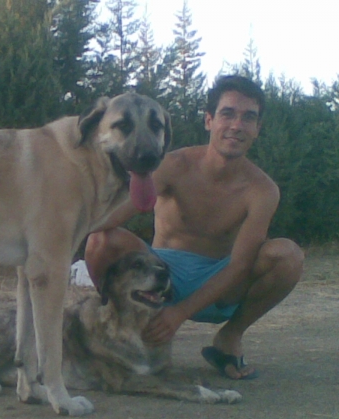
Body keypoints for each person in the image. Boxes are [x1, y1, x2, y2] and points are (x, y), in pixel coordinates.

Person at [85, 75, 304, 380]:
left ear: (257, 128)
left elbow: (241, 264)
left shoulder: (262, 190)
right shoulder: (174, 164)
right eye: (227, 114)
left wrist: (180, 314)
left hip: (221, 284)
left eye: (248, 118)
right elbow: (113, 217)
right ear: (209, 120)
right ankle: (116, 330)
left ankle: (230, 337)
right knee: (99, 240)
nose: (237, 125)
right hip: (162, 275)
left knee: (288, 255)